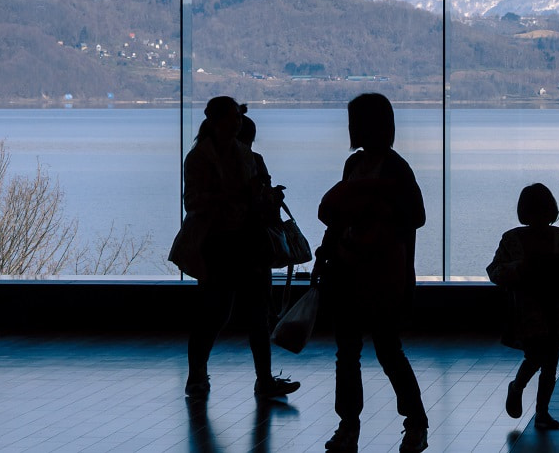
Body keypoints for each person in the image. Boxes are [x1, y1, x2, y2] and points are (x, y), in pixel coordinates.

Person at [314, 93, 429, 453]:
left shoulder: (391, 169)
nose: (354, 129)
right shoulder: (365, 166)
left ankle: (407, 422)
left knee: (381, 350)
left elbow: (416, 217)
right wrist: (326, 251)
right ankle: (369, 424)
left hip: (383, 274)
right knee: (357, 351)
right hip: (353, 269)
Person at [183, 95, 300, 399]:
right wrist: (247, 196)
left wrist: (264, 198)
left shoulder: (205, 158)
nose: (239, 122)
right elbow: (194, 202)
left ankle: (199, 375)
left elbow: (195, 202)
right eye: (234, 116)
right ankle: (261, 380)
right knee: (228, 313)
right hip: (224, 244)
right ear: (217, 121)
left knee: (227, 313)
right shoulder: (223, 158)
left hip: (236, 242)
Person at [486, 183, 559, 431]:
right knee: (542, 358)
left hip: (533, 310)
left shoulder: (513, 240)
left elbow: (495, 271)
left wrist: (518, 269)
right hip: (542, 310)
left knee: (542, 359)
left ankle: (532, 401)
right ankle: (535, 405)